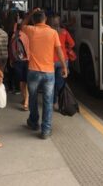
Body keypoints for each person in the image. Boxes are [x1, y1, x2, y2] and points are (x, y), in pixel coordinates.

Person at [22, 9, 68, 139]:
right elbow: (59, 51)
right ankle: (46, 130)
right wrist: (64, 66)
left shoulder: (30, 30)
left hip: (33, 71)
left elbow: (21, 25)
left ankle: (33, 122)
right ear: (45, 19)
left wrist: (30, 14)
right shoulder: (53, 33)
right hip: (49, 72)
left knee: (33, 98)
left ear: (34, 20)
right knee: (48, 101)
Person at [49, 15, 75, 109]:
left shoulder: (49, 32)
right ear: (59, 22)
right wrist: (65, 49)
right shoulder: (64, 32)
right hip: (63, 61)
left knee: (51, 83)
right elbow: (72, 44)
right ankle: (61, 103)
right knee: (60, 83)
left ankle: (53, 102)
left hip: (51, 61)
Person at [9, 21, 30, 111]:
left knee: (22, 82)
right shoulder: (26, 35)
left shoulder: (13, 36)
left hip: (18, 61)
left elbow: (10, 49)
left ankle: (25, 99)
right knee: (27, 81)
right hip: (27, 60)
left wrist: (11, 60)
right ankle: (26, 101)